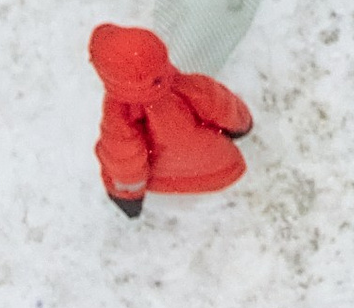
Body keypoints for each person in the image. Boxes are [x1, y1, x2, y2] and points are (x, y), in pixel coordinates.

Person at [87, 25, 253, 218]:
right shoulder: (192, 87)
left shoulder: (119, 115)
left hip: (165, 182)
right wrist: (242, 126)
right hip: (219, 167)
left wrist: (126, 197)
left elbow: (124, 160)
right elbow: (225, 108)